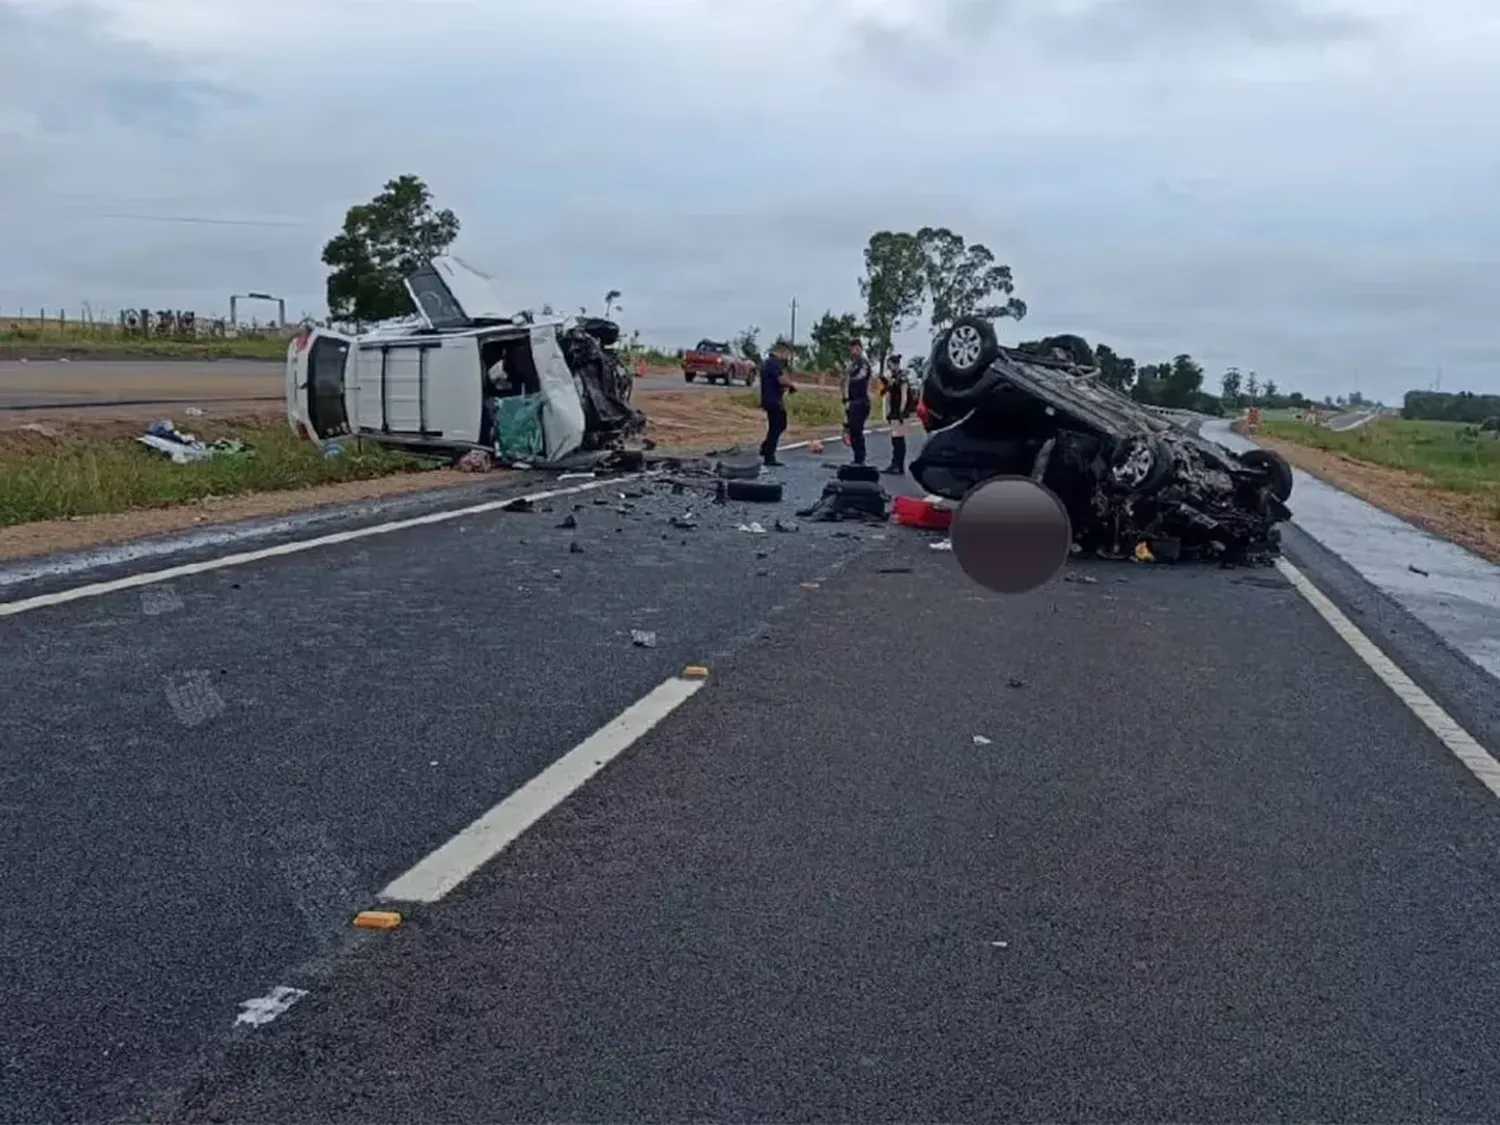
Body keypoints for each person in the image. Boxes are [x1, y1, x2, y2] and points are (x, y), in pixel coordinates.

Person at [758, 342, 796, 466]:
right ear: (781, 352)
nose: (787, 358)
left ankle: (767, 448)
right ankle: (769, 455)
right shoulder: (774, 363)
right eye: (787, 354)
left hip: (770, 399)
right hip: (773, 401)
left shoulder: (768, 363)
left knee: (777, 426)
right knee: (778, 426)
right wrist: (791, 385)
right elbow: (781, 379)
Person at [841, 338, 873, 465]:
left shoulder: (863, 363)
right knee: (852, 429)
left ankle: (860, 458)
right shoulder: (851, 364)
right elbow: (843, 382)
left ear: (860, 349)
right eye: (852, 348)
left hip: (861, 401)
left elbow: (859, 377)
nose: (853, 351)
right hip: (852, 400)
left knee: (856, 429)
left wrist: (848, 376)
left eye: (856, 348)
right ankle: (857, 458)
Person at [879, 353, 912, 475]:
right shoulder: (893, 378)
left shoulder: (902, 377)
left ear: (896, 364)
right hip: (894, 411)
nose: (889, 367)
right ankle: (896, 464)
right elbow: (887, 394)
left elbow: (904, 396)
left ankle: (898, 465)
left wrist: (901, 413)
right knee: (896, 438)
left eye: (890, 365)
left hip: (900, 412)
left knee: (899, 438)